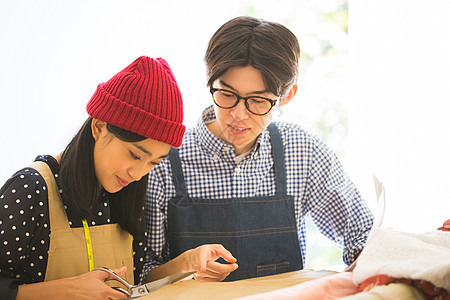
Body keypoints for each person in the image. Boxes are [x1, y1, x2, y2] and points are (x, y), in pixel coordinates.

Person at [142, 16, 374, 282]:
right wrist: (183, 267)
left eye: (258, 101)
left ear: (287, 95)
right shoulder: (162, 161)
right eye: (227, 94)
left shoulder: (303, 151)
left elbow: (362, 237)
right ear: (209, 80)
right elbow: (143, 276)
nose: (239, 115)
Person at [0, 56, 237, 300]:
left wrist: (186, 264)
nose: (138, 173)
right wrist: (67, 290)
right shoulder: (31, 188)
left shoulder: (128, 192)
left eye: (154, 163)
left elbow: (137, 284)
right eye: (134, 155)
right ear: (99, 126)